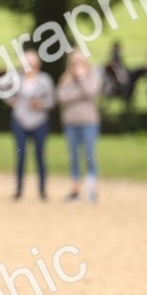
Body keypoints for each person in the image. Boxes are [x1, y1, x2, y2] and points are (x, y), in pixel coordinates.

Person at [7, 48, 55, 201]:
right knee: (21, 156)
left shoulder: (45, 80)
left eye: (32, 62)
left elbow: (52, 101)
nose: (30, 65)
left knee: (40, 156)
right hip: (20, 121)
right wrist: (12, 102)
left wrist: (41, 104)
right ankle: (19, 189)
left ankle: (42, 190)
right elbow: (6, 93)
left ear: (38, 64)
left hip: (39, 122)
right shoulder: (16, 79)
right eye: (27, 62)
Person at [56, 50, 103, 202]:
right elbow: (62, 97)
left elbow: (90, 92)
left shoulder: (92, 77)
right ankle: (75, 190)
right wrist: (79, 93)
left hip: (89, 123)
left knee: (89, 156)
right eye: (74, 62)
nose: (77, 65)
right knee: (74, 157)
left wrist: (81, 79)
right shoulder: (65, 79)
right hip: (71, 124)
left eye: (80, 61)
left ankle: (91, 190)